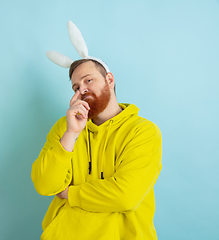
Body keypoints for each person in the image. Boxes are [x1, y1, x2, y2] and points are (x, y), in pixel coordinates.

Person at [31, 57, 162, 239]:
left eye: (88, 80)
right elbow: (45, 185)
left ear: (109, 79)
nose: (82, 89)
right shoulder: (64, 127)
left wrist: (70, 193)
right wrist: (71, 134)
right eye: (76, 87)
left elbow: (126, 196)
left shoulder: (143, 131)